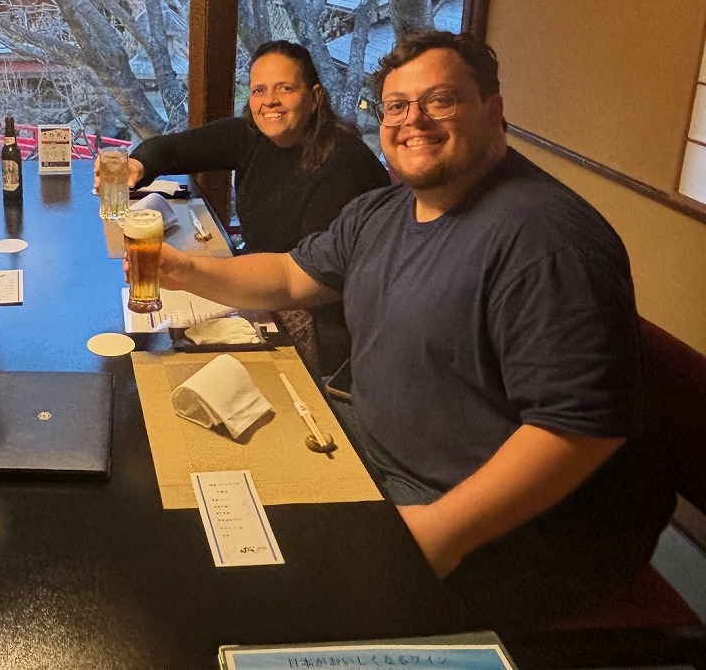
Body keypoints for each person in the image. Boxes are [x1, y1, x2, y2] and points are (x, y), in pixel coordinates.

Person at [150, 31, 674, 627]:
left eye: (440, 100)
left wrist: (436, 534)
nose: (414, 121)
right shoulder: (384, 211)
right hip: (378, 450)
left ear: (493, 110)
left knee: (265, 605)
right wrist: (186, 270)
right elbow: (292, 277)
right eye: (397, 106)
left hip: (511, 526)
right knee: (203, 495)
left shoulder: (545, 240)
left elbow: (579, 428)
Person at [117, 41, 389, 375]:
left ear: (314, 96)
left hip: (322, 322)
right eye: (259, 90)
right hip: (265, 285)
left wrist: (198, 274)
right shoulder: (253, 136)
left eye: (285, 88)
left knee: (174, 357)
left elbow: (303, 281)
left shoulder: (345, 166)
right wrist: (138, 165)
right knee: (149, 325)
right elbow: (174, 149)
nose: (269, 101)